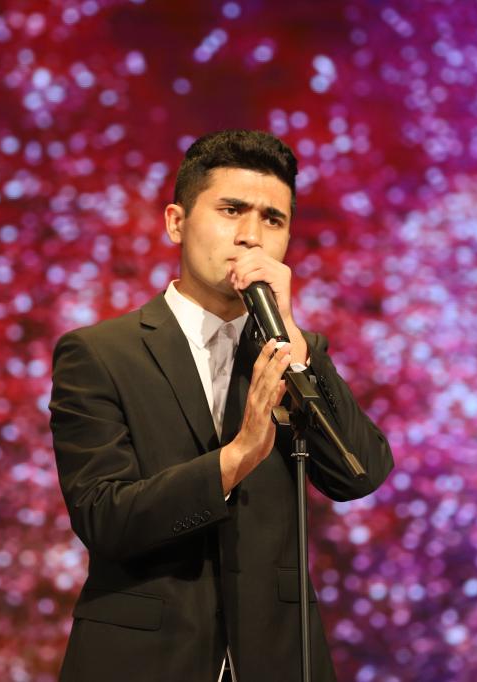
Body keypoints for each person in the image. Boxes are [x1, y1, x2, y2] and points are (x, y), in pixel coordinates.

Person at [49, 129, 394, 681]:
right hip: (144, 661)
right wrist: (235, 459)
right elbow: (104, 517)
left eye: (272, 220)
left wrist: (297, 349)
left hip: (279, 660)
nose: (251, 237)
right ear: (176, 222)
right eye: (231, 211)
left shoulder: (296, 352)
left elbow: (360, 472)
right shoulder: (99, 353)